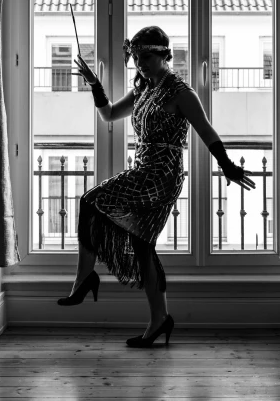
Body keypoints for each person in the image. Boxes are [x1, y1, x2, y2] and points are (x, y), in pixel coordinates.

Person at [58, 26, 255, 347]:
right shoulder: (143, 90)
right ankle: (159, 320)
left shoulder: (181, 92)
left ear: (165, 55)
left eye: (146, 56)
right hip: (143, 168)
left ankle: (84, 278)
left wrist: (228, 166)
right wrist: (95, 85)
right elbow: (108, 115)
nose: (140, 63)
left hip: (161, 174)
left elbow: (206, 130)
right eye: (135, 57)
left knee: (90, 200)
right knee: (143, 247)